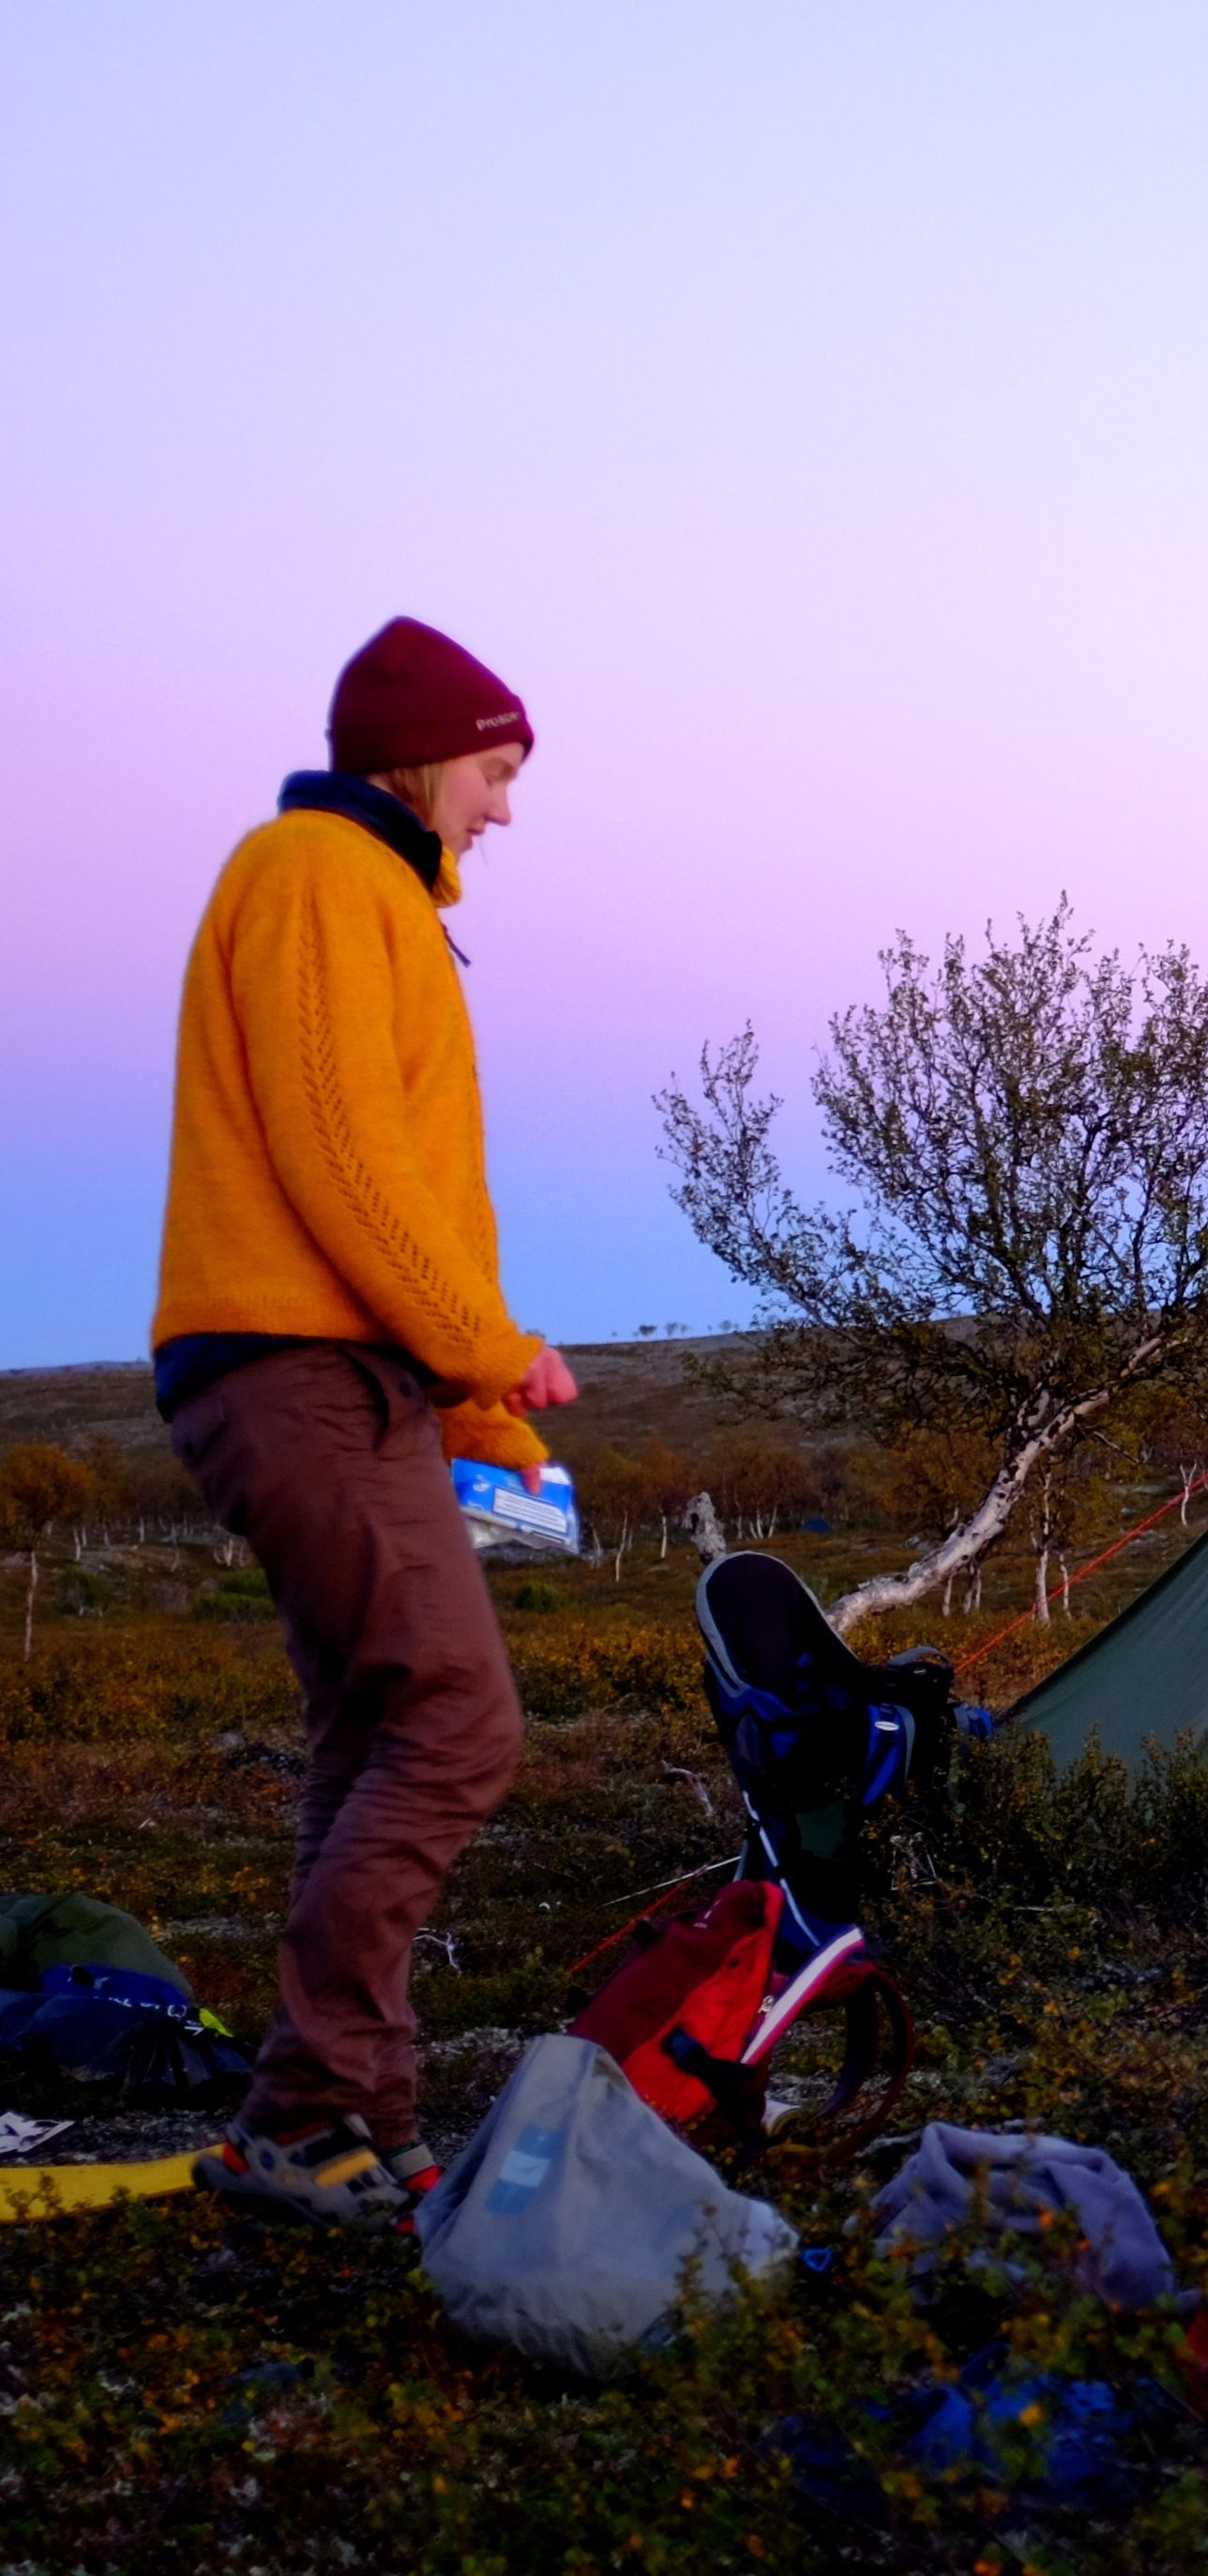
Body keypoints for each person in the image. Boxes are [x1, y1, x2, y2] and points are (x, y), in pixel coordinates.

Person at [156, 616, 575, 2227]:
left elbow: (401, 1176)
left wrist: (475, 1398)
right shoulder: (321, 877)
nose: (507, 810)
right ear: (415, 756)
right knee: (461, 1723)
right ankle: (303, 2111)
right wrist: (488, 1343)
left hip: (342, 1368)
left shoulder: (374, 894)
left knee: (375, 1731)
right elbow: (346, 1159)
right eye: (494, 770)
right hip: (297, 1364)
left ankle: (364, 2117)